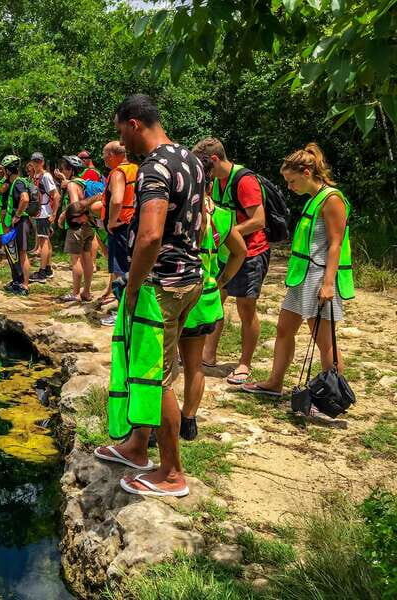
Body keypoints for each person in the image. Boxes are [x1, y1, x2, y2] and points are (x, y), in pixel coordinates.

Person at [94, 94, 204, 497]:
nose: (121, 141)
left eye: (120, 130)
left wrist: (134, 286)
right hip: (189, 277)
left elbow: (151, 235)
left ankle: (172, 473)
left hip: (161, 286)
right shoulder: (190, 159)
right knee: (148, 366)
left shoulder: (154, 167)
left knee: (157, 377)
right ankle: (137, 447)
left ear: (134, 123)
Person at [242, 143, 354, 398]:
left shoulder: (332, 199)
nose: (289, 187)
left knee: (324, 341)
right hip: (302, 277)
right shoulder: (314, 199)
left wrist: (328, 284)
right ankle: (274, 383)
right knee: (284, 329)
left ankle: (333, 397)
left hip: (319, 278)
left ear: (306, 173)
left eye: (292, 181)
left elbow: (336, 244)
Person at [179, 159, 247, 439]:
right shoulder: (221, 216)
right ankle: (188, 420)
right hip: (205, 296)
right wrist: (221, 281)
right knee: (194, 364)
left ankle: (157, 424)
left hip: (176, 295)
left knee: (163, 366)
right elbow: (240, 252)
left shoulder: (178, 212)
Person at [193, 138, 269, 384]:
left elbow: (258, 220)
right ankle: (208, 355)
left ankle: (244, 364)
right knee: (216, 301)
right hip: (226, 253)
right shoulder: (216, 181)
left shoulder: (244, 181)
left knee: (245, 310)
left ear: (214, 159)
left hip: (252, 252)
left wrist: (227, 234)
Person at [96, 141, 138, 325]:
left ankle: (122, 315)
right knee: (133, 269)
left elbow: (117, 199)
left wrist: (111, 221)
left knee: (120, 271)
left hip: (121, 227)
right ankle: (133, 312)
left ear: (112, 155)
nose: (104, 159)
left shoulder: (118, 173)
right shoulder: (136, 169)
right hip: (135, 225)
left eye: (105, 155)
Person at [57, 156, 94, 302]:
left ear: (70, 170)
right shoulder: (84, 183)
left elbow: (75, 205)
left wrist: (62, 216)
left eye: (64, 168)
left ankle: (76, 293)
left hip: (76, 225)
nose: (63, 171)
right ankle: (86, 292)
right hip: (89, 224)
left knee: (75, 259)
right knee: (87, 258)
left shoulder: (72, 185)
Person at [1, 155, 32, 295]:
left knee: (22, 253)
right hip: (16, 223)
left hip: (21, 222)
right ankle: (17, 281)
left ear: (8, 170)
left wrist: (18, 215)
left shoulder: (18, 183)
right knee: (15, 252)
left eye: (4, 170)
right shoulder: (14, 183)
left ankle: (25, 285)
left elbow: (25, 199)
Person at [29, 152, 61, 282]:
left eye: (39, 161)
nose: (36, 163)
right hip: (39, 212)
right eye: (34, 161)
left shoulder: (46, 176)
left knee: (44, 242)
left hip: (44, 213)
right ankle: (48, 269)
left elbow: (56, 195)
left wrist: (54, 214)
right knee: (46, 241)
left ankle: (42, 272)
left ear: (42, 162)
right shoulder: (35, 176)